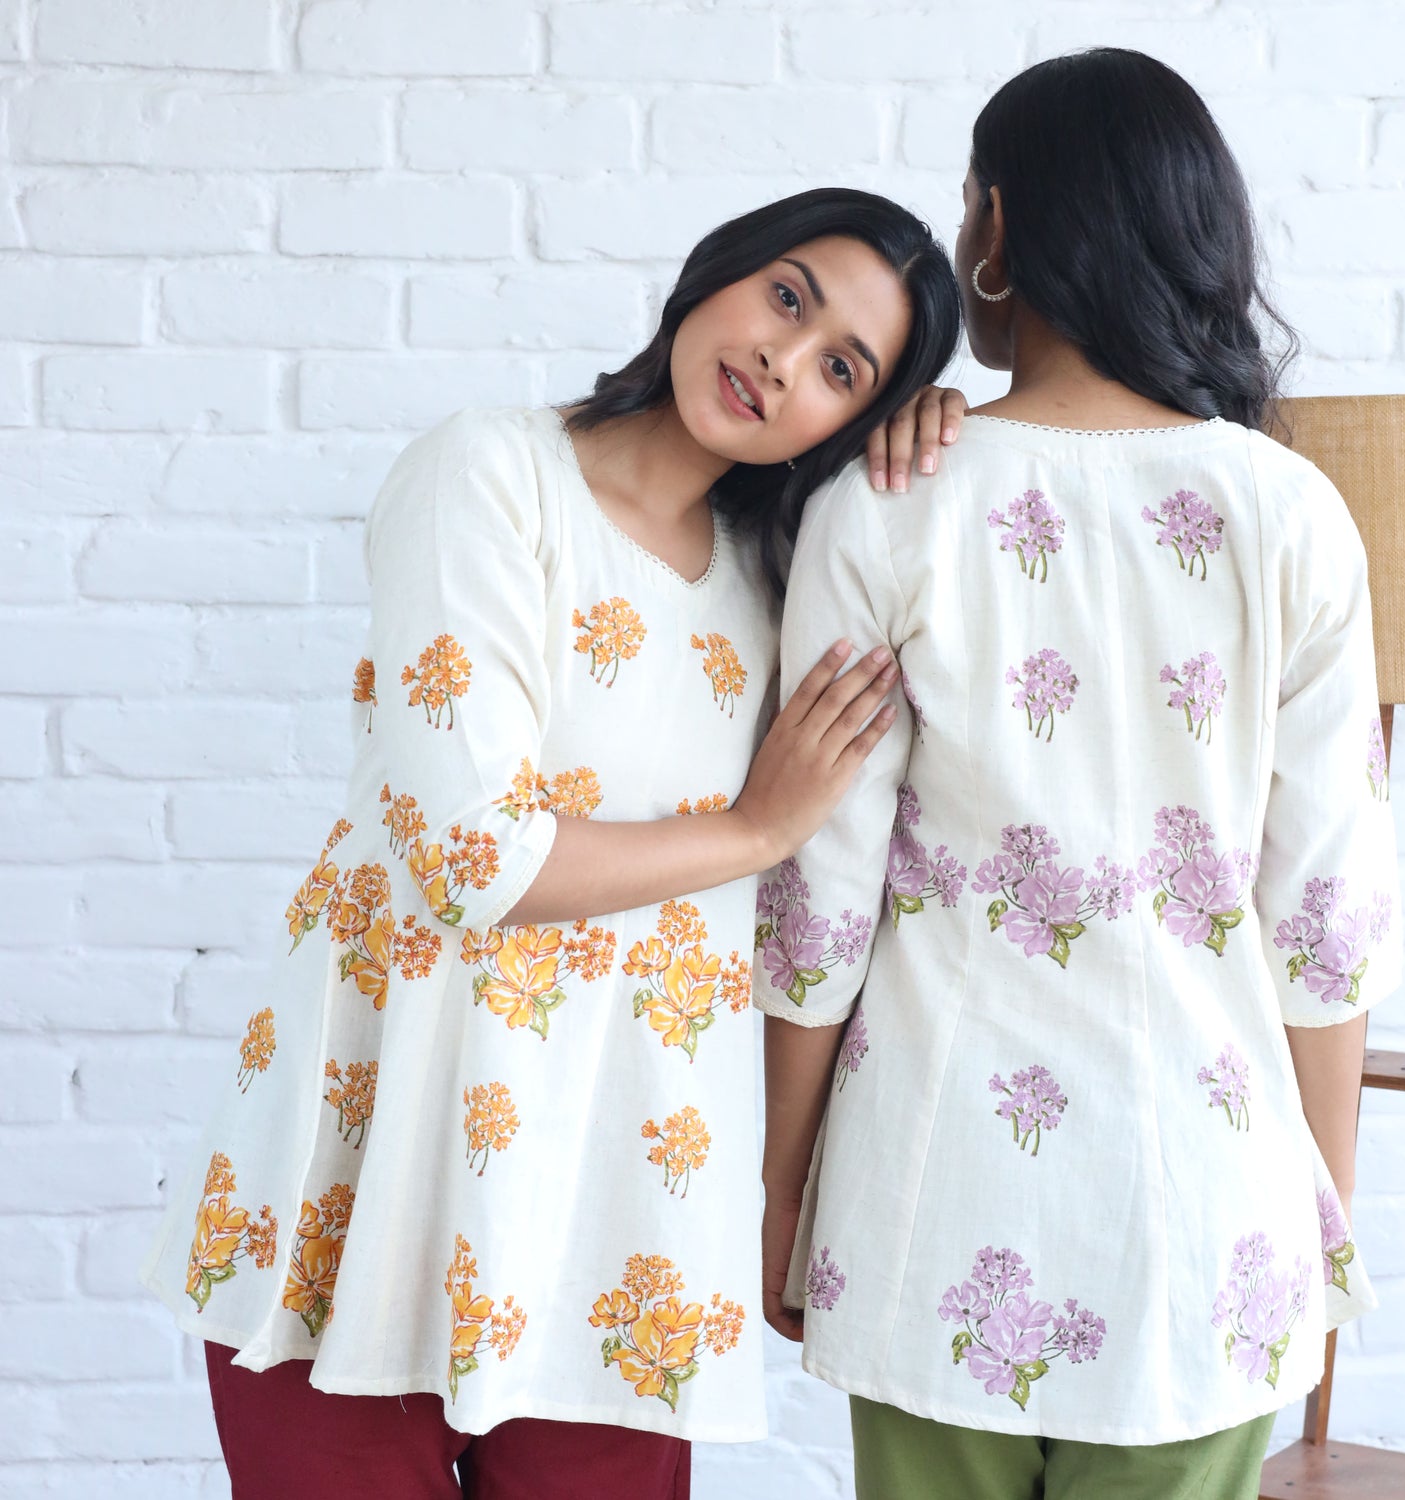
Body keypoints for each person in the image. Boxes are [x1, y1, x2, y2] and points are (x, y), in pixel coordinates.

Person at [139, 186, 962, 1500]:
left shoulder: (786, 583)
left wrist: (942, 447)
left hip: (620, 1222)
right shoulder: (485, 474)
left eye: (842, 370)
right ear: (722, 268)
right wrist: (756, 828)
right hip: (369, 1194)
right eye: (787, 298)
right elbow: (471, 861)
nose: (781, 359)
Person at [757, 52, 1400, 1500]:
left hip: (931, 1198)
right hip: (1207, 1213)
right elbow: (1326, 923)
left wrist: (783, 1183)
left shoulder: (887, 504)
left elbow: (821, 902)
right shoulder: (1293, 515)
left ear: (995, 223)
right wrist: (1319, 1214)